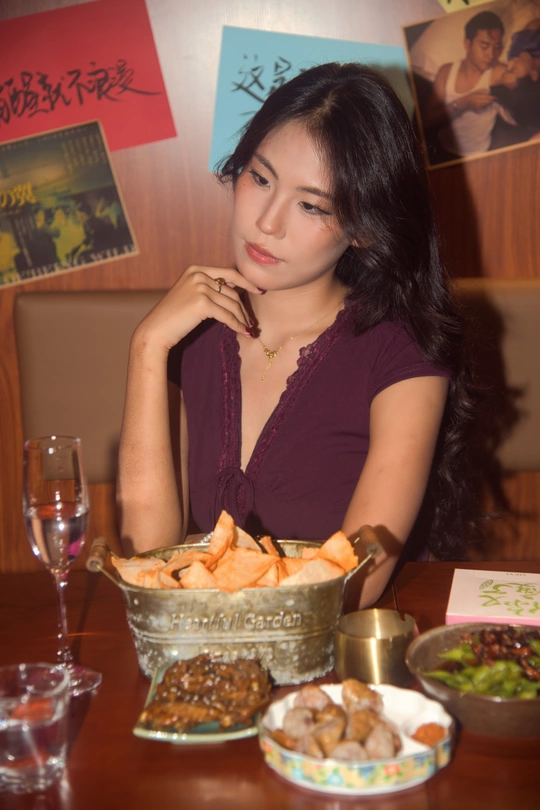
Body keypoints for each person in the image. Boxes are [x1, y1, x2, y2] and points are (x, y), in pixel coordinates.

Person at [117, 62, 476, 608]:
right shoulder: (189, 335)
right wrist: (146, 347)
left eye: (311, 205)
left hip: (344, 651)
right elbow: (147, 560)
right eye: (260, 178)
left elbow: (355, 583)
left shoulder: (401, 351)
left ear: (364, 228)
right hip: (208, 647)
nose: (267, 223)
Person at [424, 10, 509, 159]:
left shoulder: (498, 72)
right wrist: (464, 103)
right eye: (484, 46)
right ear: (467, 44)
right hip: (442, 149)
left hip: (478, 155)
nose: (491, 55)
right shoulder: (447, 71)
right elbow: (427, 120)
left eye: (497, 47)